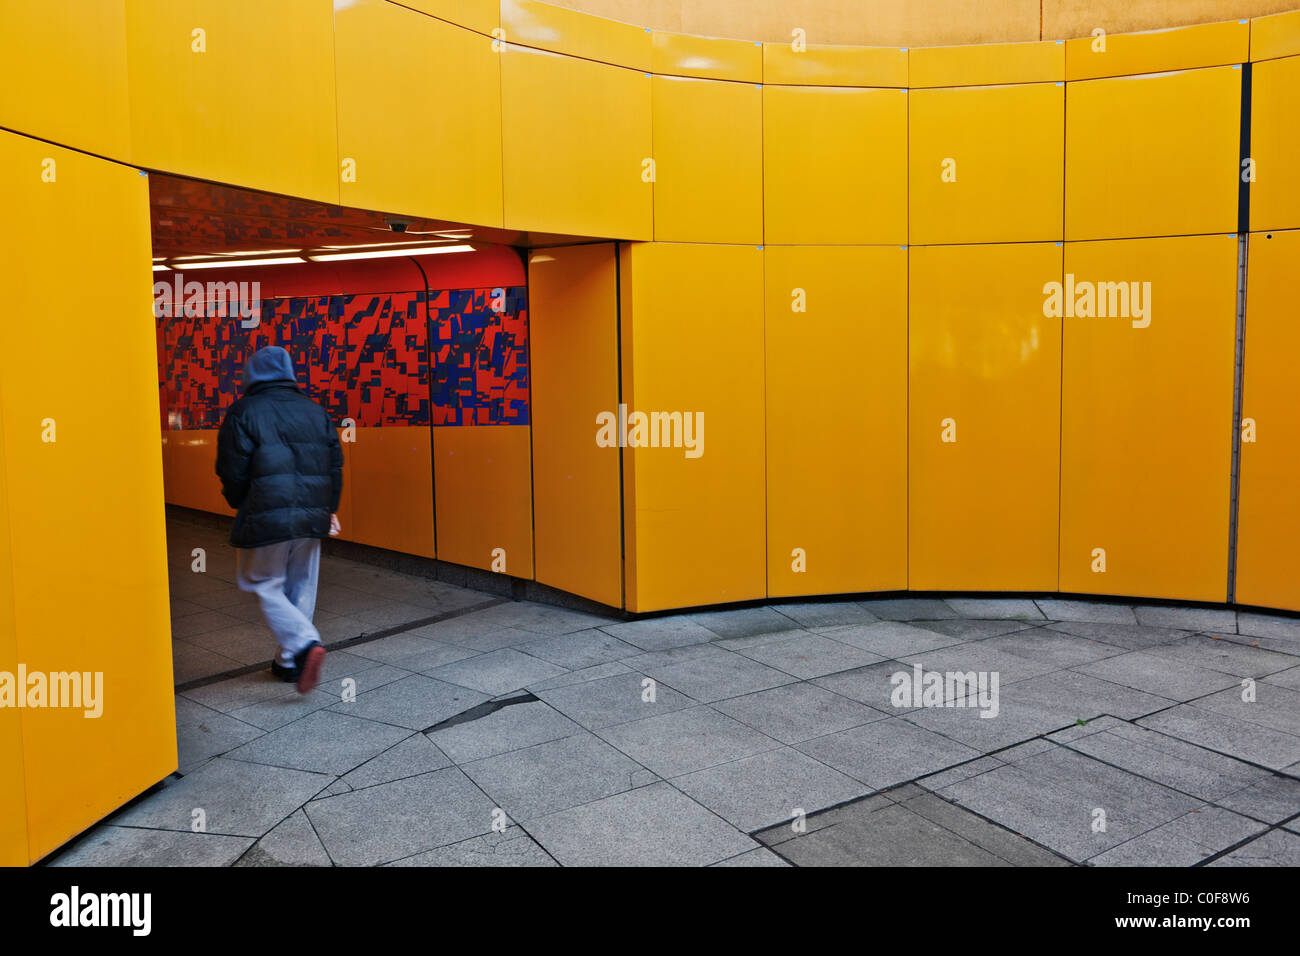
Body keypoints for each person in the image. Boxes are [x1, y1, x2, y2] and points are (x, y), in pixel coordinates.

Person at [215, 346, 343, 693]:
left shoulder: (244, 411)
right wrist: (328, 508)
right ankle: (288, 663)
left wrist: (241, 501)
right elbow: (334, 465)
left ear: (251, 375)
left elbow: (231, 468)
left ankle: (303, 643)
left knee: (262, 582)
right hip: (312, 514)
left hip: (267, 513)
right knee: (301, 584)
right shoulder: (315, 411)